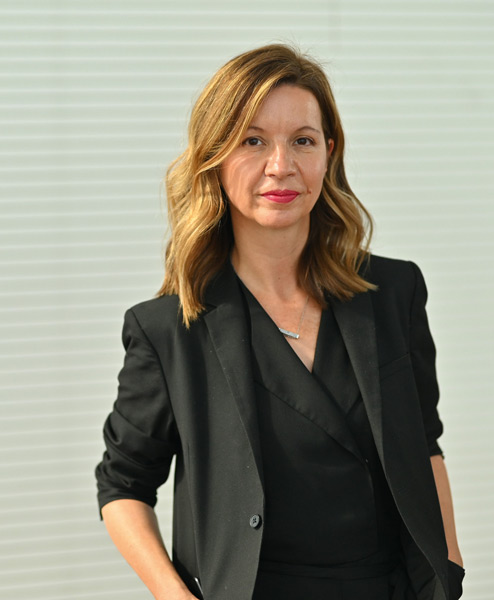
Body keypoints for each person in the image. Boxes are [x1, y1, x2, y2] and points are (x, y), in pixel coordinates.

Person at [94, 44, 464, 600]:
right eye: (253, 141)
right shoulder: (169, 330)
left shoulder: (394, 291)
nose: (280, 165)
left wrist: (450, 571)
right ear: (215, 157)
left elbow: (425, 446)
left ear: (329, 153)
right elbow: (122, 485)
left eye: (303, 141)